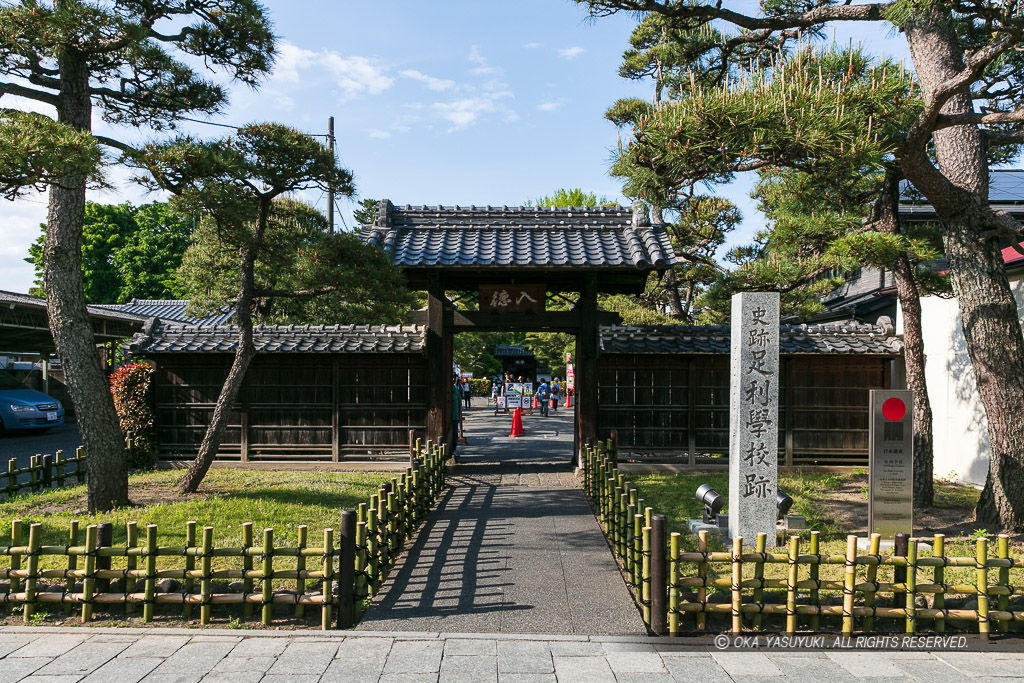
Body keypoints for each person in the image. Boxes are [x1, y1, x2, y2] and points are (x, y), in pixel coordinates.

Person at [451, 375, 462, 454]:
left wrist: (459, 412)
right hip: (448, 416)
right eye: (452, 377)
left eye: (455, 378)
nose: (453, 379)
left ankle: (453, 450)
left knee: (455, 434)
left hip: (455, 415)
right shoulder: (446, 388)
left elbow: (459, 401)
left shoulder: (456, 388)